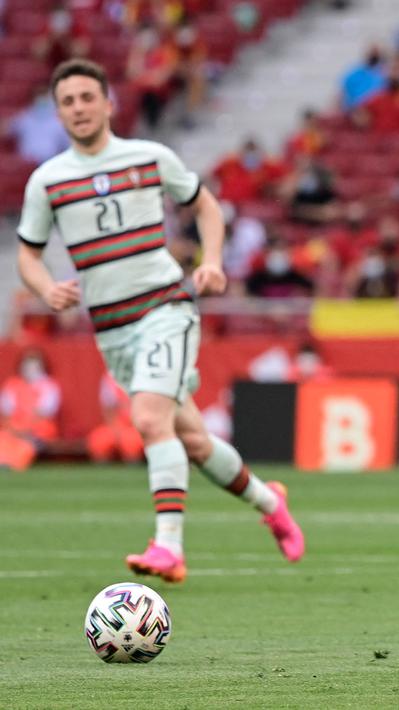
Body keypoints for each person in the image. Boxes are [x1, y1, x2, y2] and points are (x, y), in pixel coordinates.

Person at [15, 59, 305, 583]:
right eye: (68, 101)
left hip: (165, 307)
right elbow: (28, 256)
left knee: (149, 420)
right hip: (112, 329)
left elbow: (207, 207)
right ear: (59, 113)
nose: (78, 108)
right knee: (190, 441)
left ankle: (168, 547)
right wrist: (45, 288)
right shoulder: (48, 182)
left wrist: (211, 261)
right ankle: (271, 503)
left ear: (109, 103)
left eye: (87, 97)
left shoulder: (149, 158)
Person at [0, 348, 62, 471]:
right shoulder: (11, 385)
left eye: (34, 366)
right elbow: (6, 413)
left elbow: (44, 413)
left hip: (38, 432)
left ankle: (13, 465)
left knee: (26, 446)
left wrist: (26, 429)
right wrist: (15, 429)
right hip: (14, 430)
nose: (30, 369)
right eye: (27, 365)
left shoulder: (49, 386)